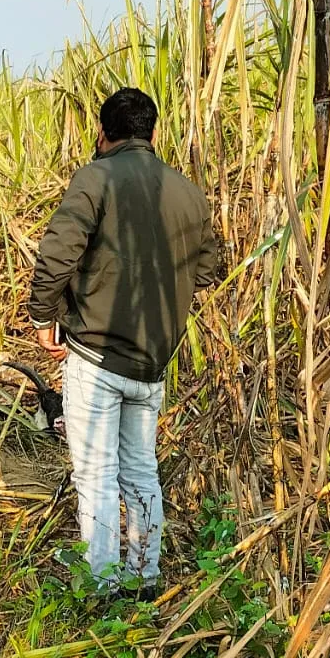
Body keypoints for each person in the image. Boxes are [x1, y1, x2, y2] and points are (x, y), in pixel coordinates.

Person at [28, 87, 221, 597]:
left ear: (103, 133)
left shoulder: (96, 178)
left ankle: (101, 591)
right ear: (152, 134)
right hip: (151, 365)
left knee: (96, 476)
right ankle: (144, 579)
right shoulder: (189, 193)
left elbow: (56, 255)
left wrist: (44, 316)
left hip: (95, 356)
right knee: (141, 472)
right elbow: (208, 270)